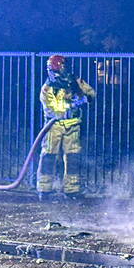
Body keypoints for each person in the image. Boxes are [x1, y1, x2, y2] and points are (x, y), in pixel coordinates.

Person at [36, 55, 96, 201]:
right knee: (49, 156)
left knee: (73, 157)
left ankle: (72, 189)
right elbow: (54, 110)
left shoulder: (74, 81)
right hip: (54, 126)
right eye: (61, 66)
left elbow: (91, 93)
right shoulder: (47, 88)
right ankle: (44, 189)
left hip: (73, 124)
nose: (64, 69)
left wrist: (86, 97)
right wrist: (73, 104)